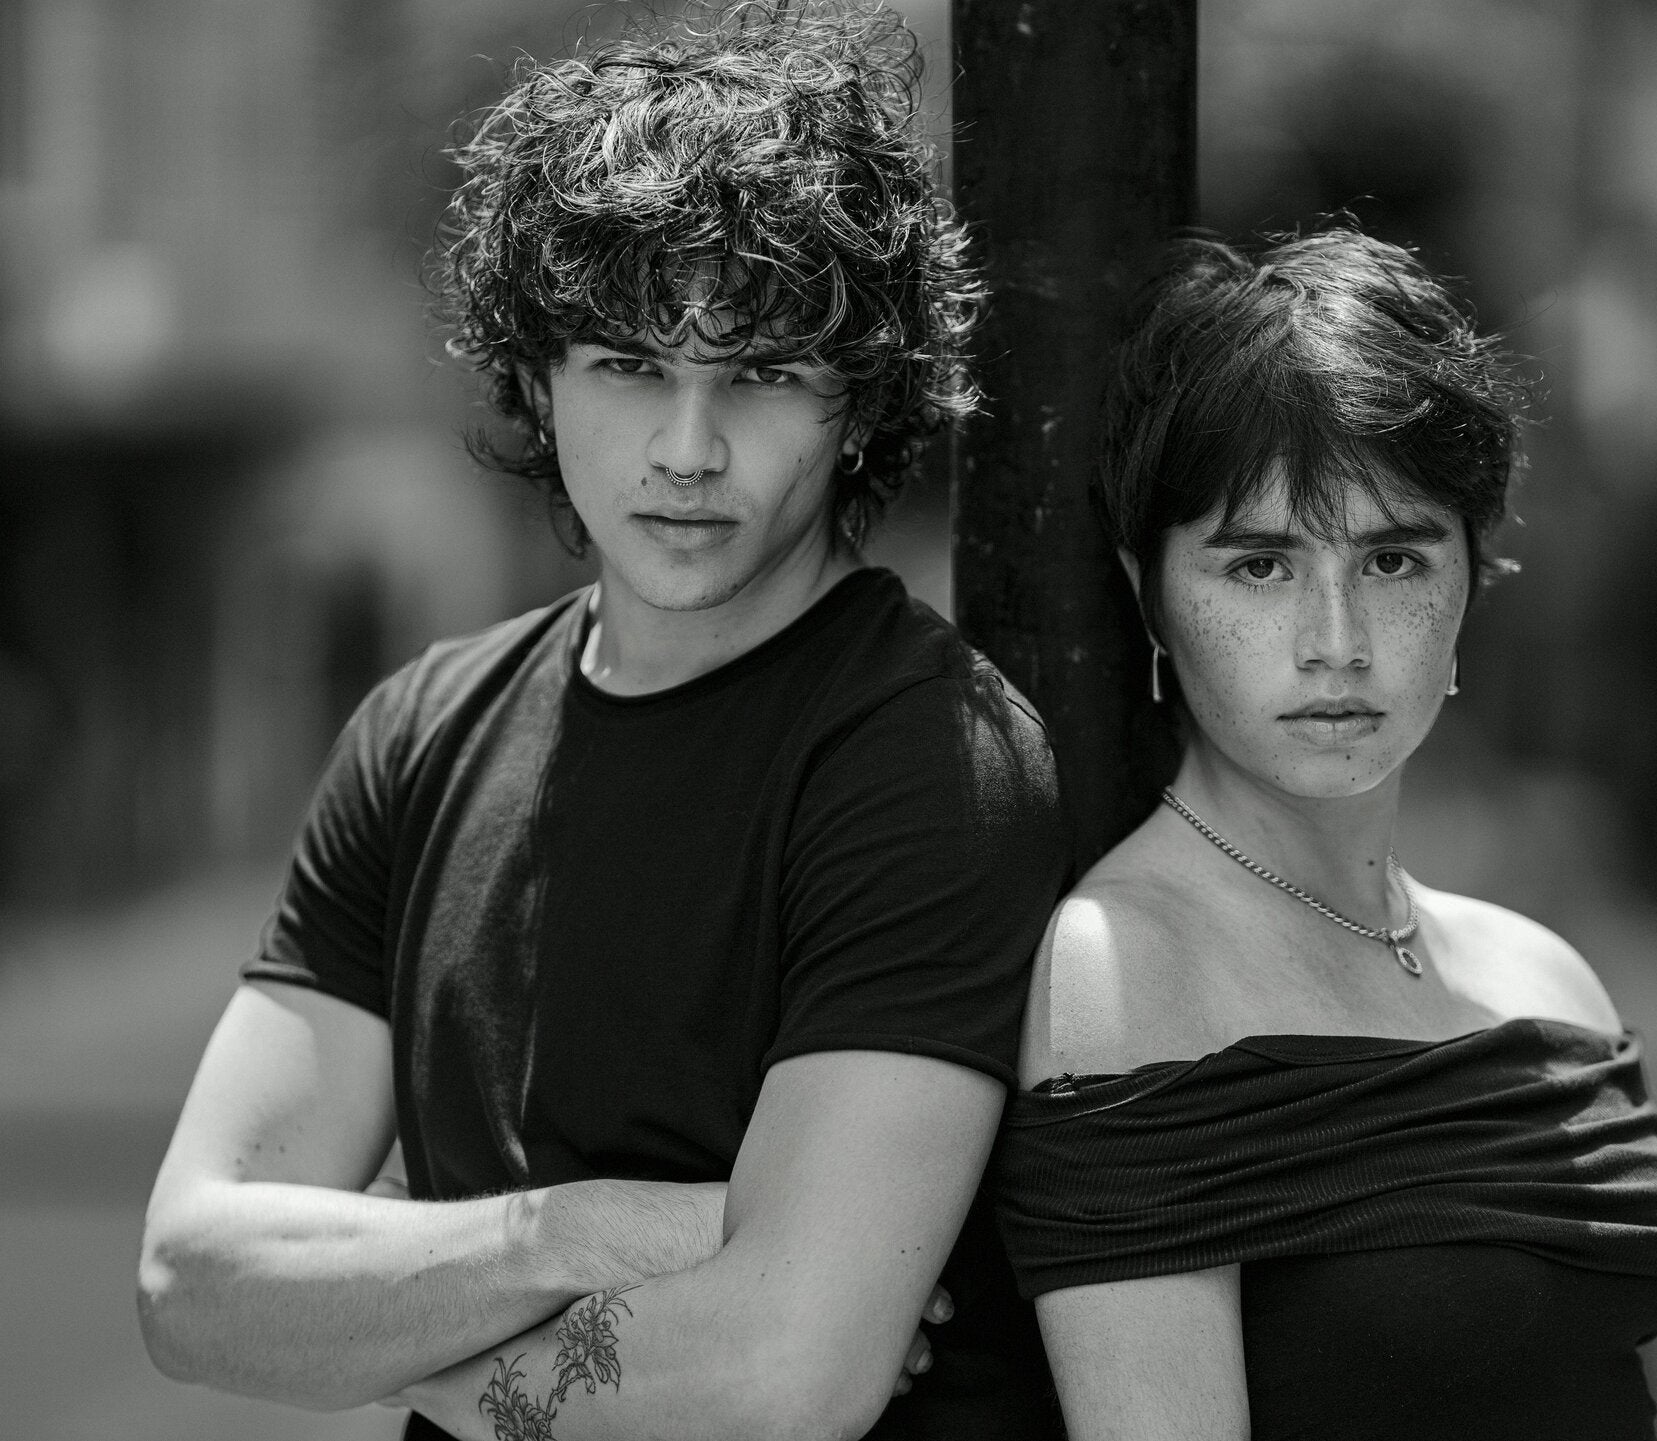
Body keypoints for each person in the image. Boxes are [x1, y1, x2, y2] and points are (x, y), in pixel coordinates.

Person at [137, 6, 1068, 1439]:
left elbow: (784, 1374)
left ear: (857, 407)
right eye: (630, 365)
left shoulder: (932, 755)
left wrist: (396, 1348)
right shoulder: (419, 733)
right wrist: (570, 1233)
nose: (689, 451)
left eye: (763, 375)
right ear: (538, 377)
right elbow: (190, 1282)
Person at [993, 230, 1657, 1441]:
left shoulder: (1548, 977)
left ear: (1472, 577)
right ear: (1150, 591)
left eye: (1393, 558)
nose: (1336, 642)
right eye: (1260, 566)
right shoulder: (1125, 969)